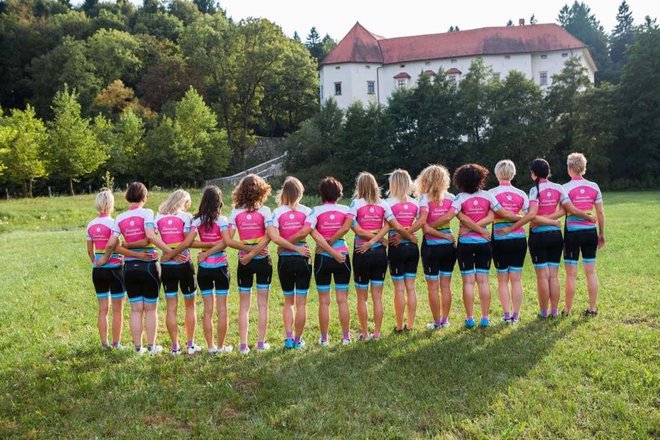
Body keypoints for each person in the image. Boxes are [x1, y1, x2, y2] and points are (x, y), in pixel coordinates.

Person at [424, 164, 521, 328]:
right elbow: (493, 215)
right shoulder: (488, 196)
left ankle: (469, 319)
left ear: (460, 180)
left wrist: (429, 226)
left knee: (468, 282)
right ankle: (485, 318)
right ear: (481, 179)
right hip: (484, 243)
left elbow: (451, 216)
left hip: (465, 244)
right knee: (483, 281)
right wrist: (480, 230)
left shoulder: (459, 198)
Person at [96, 182, 173, 355]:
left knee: (136, 309)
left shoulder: (120, 218)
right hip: (149, 265)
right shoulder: (147, 213)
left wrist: (104, 259)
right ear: (144, 197)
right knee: (151, 308)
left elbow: (111, 244)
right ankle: (152, 347)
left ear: (127, 196)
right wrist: (171, 252)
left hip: (129, 268)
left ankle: (138, 348)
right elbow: (150, 236)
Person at [350, 172, 415, 340]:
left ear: (360, 187)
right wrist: (381, 241)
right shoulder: (384, 204)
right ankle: (377, 334)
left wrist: (369, 242)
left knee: (362, 298)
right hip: (380, 253)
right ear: (374, 186)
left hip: (361, 251)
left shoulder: (355, 204)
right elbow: (389, 226)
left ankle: (364, 333)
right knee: (377, 297)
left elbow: (356, 230)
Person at [526, 158, 593, 319]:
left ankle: (543, 312)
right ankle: (554, 311)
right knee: (554, 276)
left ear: (534, 173)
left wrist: (544, 220)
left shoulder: (535, 190)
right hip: (556, 236)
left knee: (542, 276)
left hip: (539, 236)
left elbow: (533, 217)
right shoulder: (558, 188)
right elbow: (566, 210)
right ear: (548, 172)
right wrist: (554, 221)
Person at [171, 186, 234, 354]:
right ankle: (220, 347)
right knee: (222, 310)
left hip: (204, 269)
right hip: (221, 267)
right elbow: (226, 242)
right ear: (219, 201)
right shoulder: (222, 220)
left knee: (207, 310)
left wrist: (206, 252)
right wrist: (214, 247)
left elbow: (189, 242)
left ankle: (210, 347)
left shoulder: (196, 221)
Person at [86, 190, 148, 349]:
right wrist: (137, 255)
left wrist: (96, 262)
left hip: (98, 271)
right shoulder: (113, 223)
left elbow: (90, 250)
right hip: (115, 269)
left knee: (102, 309)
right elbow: (117, 248)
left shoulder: (91, 225)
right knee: (117, 310)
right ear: (111, 204)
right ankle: (116, 343)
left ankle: (104, 343)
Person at [227, 174, 273, 355]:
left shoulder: (235, 213)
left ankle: (243, 346)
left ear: (241, 191)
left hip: (244, 261)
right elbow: (269, 235)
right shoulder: (265, 211)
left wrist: (247, 251)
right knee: (263, 305)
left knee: (244, 306)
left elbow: (229, 240)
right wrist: (254, 251)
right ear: (261, 190)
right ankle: (260, 344)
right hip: (262, 260)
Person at [266, 177, 313, 349]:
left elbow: (276, 239)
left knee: (288, 301)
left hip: (285, 259)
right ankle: (298, 340)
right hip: (303, 256)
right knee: (301, 303)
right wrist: (298, 248)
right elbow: (304, 232)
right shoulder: (308, 211)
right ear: (300, 193)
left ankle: (288, 338)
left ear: (284, 193)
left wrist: (286, 246)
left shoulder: (277, 212)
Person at [306, 177, 354, 346]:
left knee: (324, 301)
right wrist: (334, 246)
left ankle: (324, 338)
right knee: (343, 300)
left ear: (322, 193)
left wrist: (327, 245)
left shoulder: (315, 211)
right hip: (342, 257)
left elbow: (311, 232)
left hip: (322, 259)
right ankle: (346, 337)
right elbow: (348, 228)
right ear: (339, 194)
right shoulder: (346, 209)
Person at [155, 190, 200, 355]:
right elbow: (188, 241)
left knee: (171, 307)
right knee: (190, 306)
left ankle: (175, 347)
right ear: (184, 202)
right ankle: (190, 345)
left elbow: (152, 237)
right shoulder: (187, 217)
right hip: (184, 264)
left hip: (167, 265)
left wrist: (167, 254)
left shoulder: (158, 217)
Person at [488, 160, 531, 324]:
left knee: (502, 280)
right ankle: (516, 315)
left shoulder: (491, 193)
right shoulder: (521, 193)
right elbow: (528, 216)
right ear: (513, 174)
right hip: (519, 239)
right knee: (516, 279)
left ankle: (507, 315)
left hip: (500, 239)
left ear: (497, 173)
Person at [562, 153, 605, 316]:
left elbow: (563, 211)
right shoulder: (594, 186)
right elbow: (600, 212)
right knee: (591, 271)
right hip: (590, 232)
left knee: (571, 274)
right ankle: (592, 308)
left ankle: (567, 310)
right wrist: (601, 233)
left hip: (572, 233)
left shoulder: (565, 188)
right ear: (583, 167)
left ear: (570, 168)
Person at [385, 169, 422, 332]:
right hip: (412, 247)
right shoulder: (416, 203)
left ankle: (399, 326)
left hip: (396, 247)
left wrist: (400, 237)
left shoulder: (387, 203)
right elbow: (421, 222)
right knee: (411, 287)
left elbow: (384, 226)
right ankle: (410, 325)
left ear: (393, 184)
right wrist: (409, 236)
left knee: (399, 288)